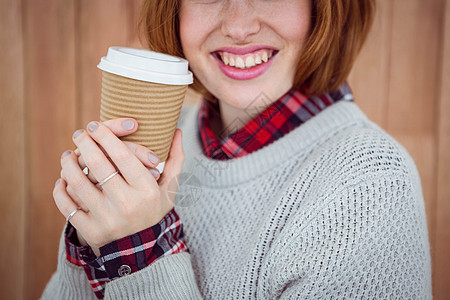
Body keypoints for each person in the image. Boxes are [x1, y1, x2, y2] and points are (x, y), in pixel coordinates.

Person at [42, 0, 432, 299]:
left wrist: (141, 252)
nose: (239, 26)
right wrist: (98, 234)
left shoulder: (371, 185)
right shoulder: (169, 133)